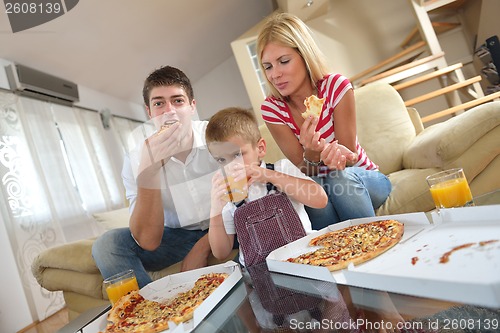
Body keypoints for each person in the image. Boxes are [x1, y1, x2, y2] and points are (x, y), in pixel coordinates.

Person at [92, 66, 226, 288]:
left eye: (178, 101)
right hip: (178, 236)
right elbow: (148, 240)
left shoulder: (217, 136)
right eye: (159, 103)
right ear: (149, 112)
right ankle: (150, 311)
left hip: (229, 223)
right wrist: (149, 170)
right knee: (108, 245)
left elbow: (245, 199)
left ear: (192, 106)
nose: (169, 111)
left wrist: (203, 246)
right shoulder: (136, 159)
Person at [256, 12, 392, 229]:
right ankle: (335, 255)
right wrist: (311, 153)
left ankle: (373, 242)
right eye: (268, 66)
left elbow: (347, 158)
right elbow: (305, 170)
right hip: (323, 189)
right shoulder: (272, 109)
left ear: (305, 55)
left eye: (283, 61)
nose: (275, 74)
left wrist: (331, 155)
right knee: (314, 188)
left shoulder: (336, 87)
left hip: (362, 179)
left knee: (338, 178)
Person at [205, 106, 327, 266]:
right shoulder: (230, 198)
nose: (232, 165)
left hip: (304, 257)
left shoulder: (281, 169)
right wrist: (215, 209)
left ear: (260, 148)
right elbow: (221, 252)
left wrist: (267, 175)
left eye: (237, 154)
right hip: (262, 271)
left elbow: (320, 200)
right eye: (222, 160)